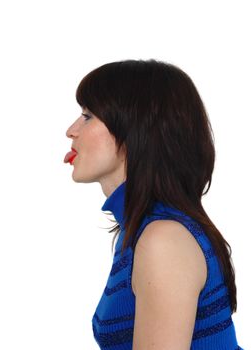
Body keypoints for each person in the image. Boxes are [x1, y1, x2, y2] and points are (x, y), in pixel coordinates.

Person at [64, 60, 241, 349]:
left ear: (135, 131)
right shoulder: (142, 230)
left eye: (87, 116)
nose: (71, 130)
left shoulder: (163, 239)